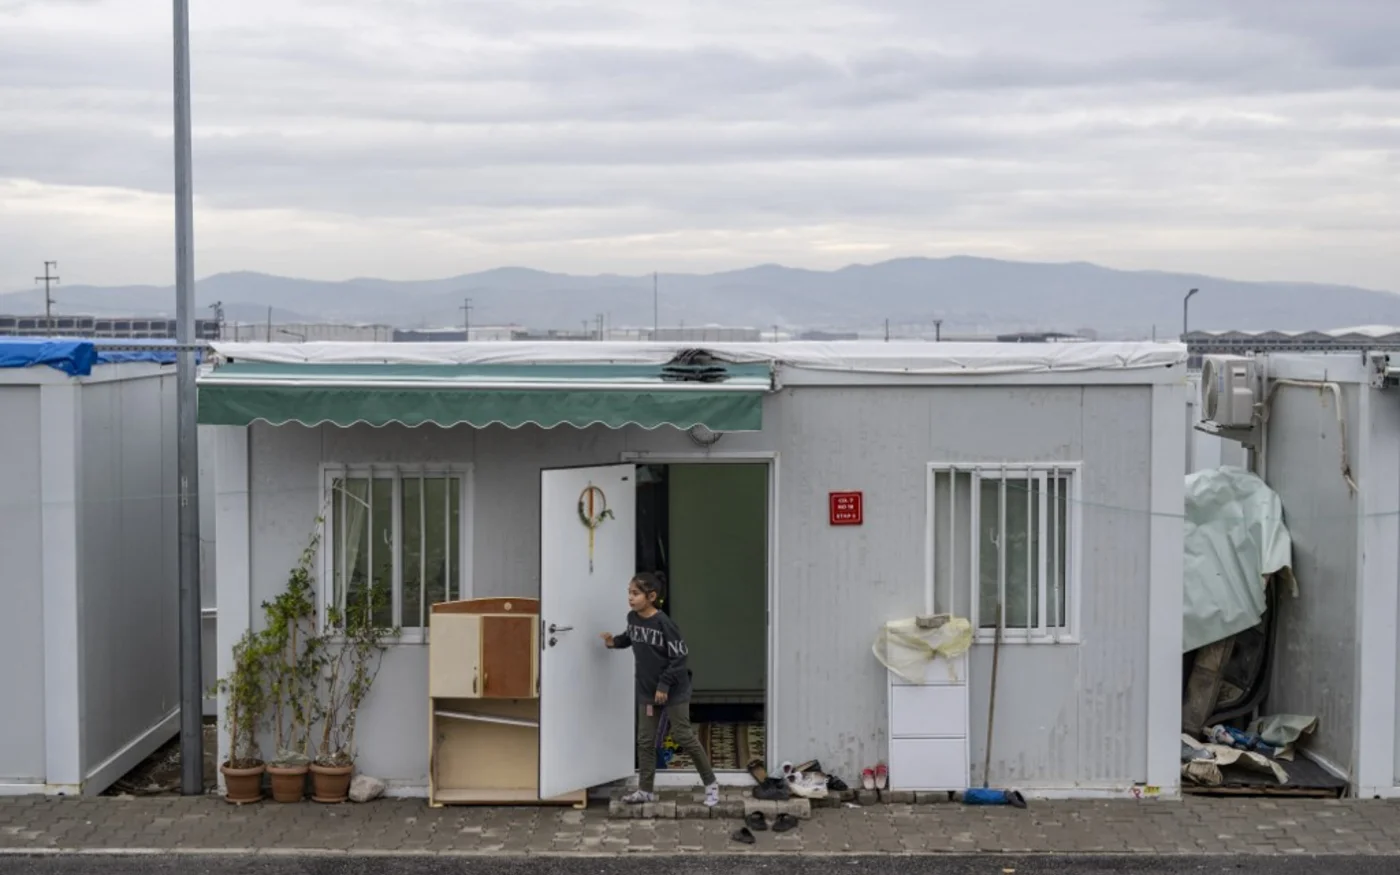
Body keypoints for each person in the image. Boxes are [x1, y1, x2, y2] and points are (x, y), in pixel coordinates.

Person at [601, 571, 719, 806]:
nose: (630, 598)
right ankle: (645, 790)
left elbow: (679, 658)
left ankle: (711, 784)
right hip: (647, 691)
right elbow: (630, 637)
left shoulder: (665, 624)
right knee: (645, 740)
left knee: (683, 736)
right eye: (629, 593)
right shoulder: (633, 618)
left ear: (651, 596)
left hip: (674, 690)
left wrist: (664, 685)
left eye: (635, 593)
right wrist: (613, 642)